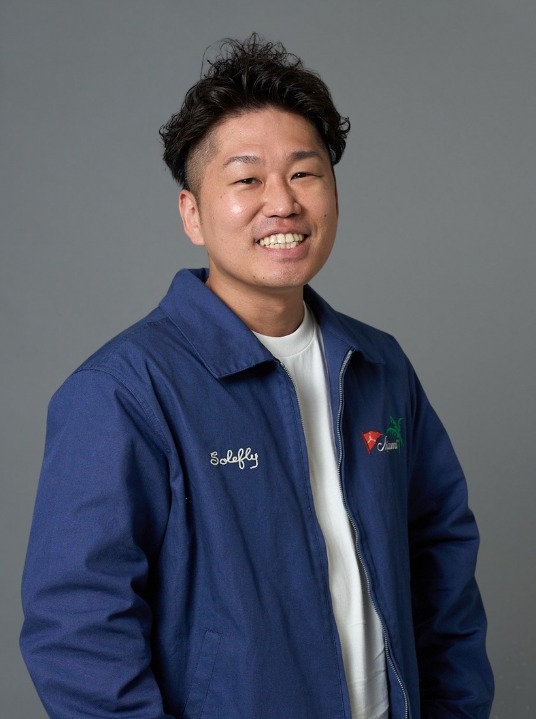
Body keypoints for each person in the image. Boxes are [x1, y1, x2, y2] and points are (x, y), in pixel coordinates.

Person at [20, 34, 494, 719]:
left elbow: (443, 567)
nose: (283, 203)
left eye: (304, 174)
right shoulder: (124, 391)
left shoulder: (380, 366)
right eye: (247, 179)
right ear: (192, 213)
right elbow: (76, 630)